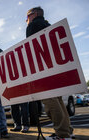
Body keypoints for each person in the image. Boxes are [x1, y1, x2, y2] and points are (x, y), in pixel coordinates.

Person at [26, 7, 74, 140]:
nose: (26, 20)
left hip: (44, 68)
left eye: (27, 17)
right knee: (58, 100)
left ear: (34, 14)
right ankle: (67, 130)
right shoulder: (47, 25)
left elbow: (32, 48)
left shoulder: (34, 25)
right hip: (55, 66)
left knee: (50, 101)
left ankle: (62, 135)